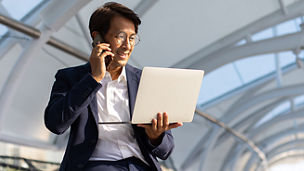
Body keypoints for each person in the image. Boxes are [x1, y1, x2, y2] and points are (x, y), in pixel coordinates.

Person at [44, 2, 182, 171]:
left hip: (141, 166)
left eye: (132, 38)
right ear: (97, 38)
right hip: (96, 165)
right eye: (120, 36)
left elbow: (166, 151)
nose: (127, 45)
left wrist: (156, 136)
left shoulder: (145, 81)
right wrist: (93, 78)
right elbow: (56, 124)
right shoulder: (71, 78)